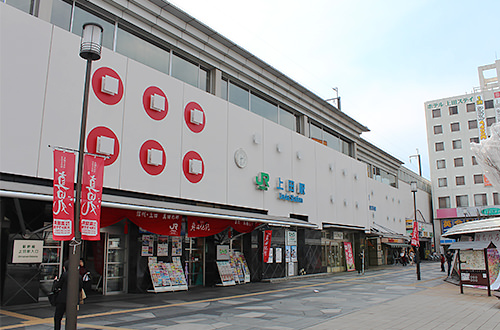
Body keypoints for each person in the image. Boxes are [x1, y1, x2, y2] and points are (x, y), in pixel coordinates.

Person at [54, 260, 82, 330]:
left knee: (57, 317)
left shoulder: (64, 275)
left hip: (63, 299)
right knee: (71, 317)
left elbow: (58, 285)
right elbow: (80, 288)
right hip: (73, 300)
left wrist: (55, 281)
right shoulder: (78, 276)